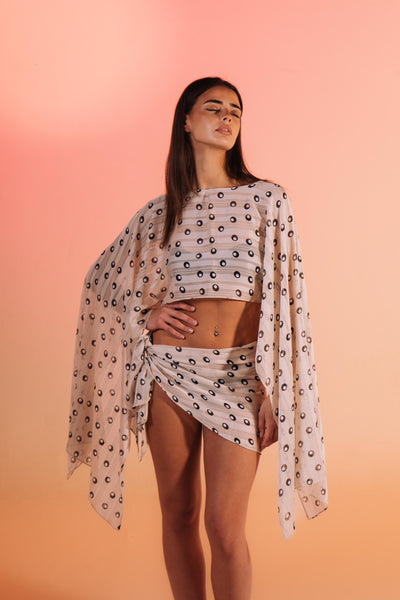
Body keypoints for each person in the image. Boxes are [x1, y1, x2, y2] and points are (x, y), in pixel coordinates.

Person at [66, 76, 328, 600]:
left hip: (238, 378)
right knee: (180, 513)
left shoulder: (266, 200)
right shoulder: (161, 211)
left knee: (224, 528)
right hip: (168, 375)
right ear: (186, 120)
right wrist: (148, 316)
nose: (228, 117)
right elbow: (101, 281)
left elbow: (287, 299)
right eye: (214, 107)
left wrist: (273, 386)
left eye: (235, 110)